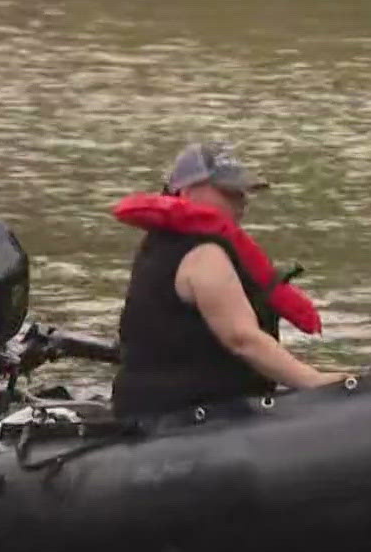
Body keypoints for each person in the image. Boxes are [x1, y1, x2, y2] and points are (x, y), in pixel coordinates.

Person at [110, 143, 346, 418]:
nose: (242, 200)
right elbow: (242, 338)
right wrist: (314, 382)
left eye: (242, 192)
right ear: (187, 191)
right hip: (185, 418)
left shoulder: (162, 243)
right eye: (229, 192)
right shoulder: (204, 254)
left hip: (151, 409)